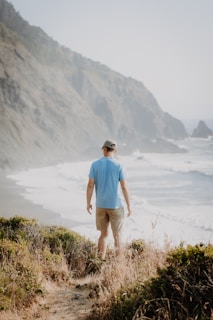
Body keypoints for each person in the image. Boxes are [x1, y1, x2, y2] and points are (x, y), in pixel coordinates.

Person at [86, 139, 132, 259]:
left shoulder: (95, 165)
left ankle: (99, 261)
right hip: (115, 206)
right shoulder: (119, 165)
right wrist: (129, 206)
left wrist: (88, 203)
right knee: (117, 236)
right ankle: (118, 264)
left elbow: (90, 185)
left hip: (100, 205)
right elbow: (124, 186)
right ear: (115, 151)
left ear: (104, 149)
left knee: (103, 234)